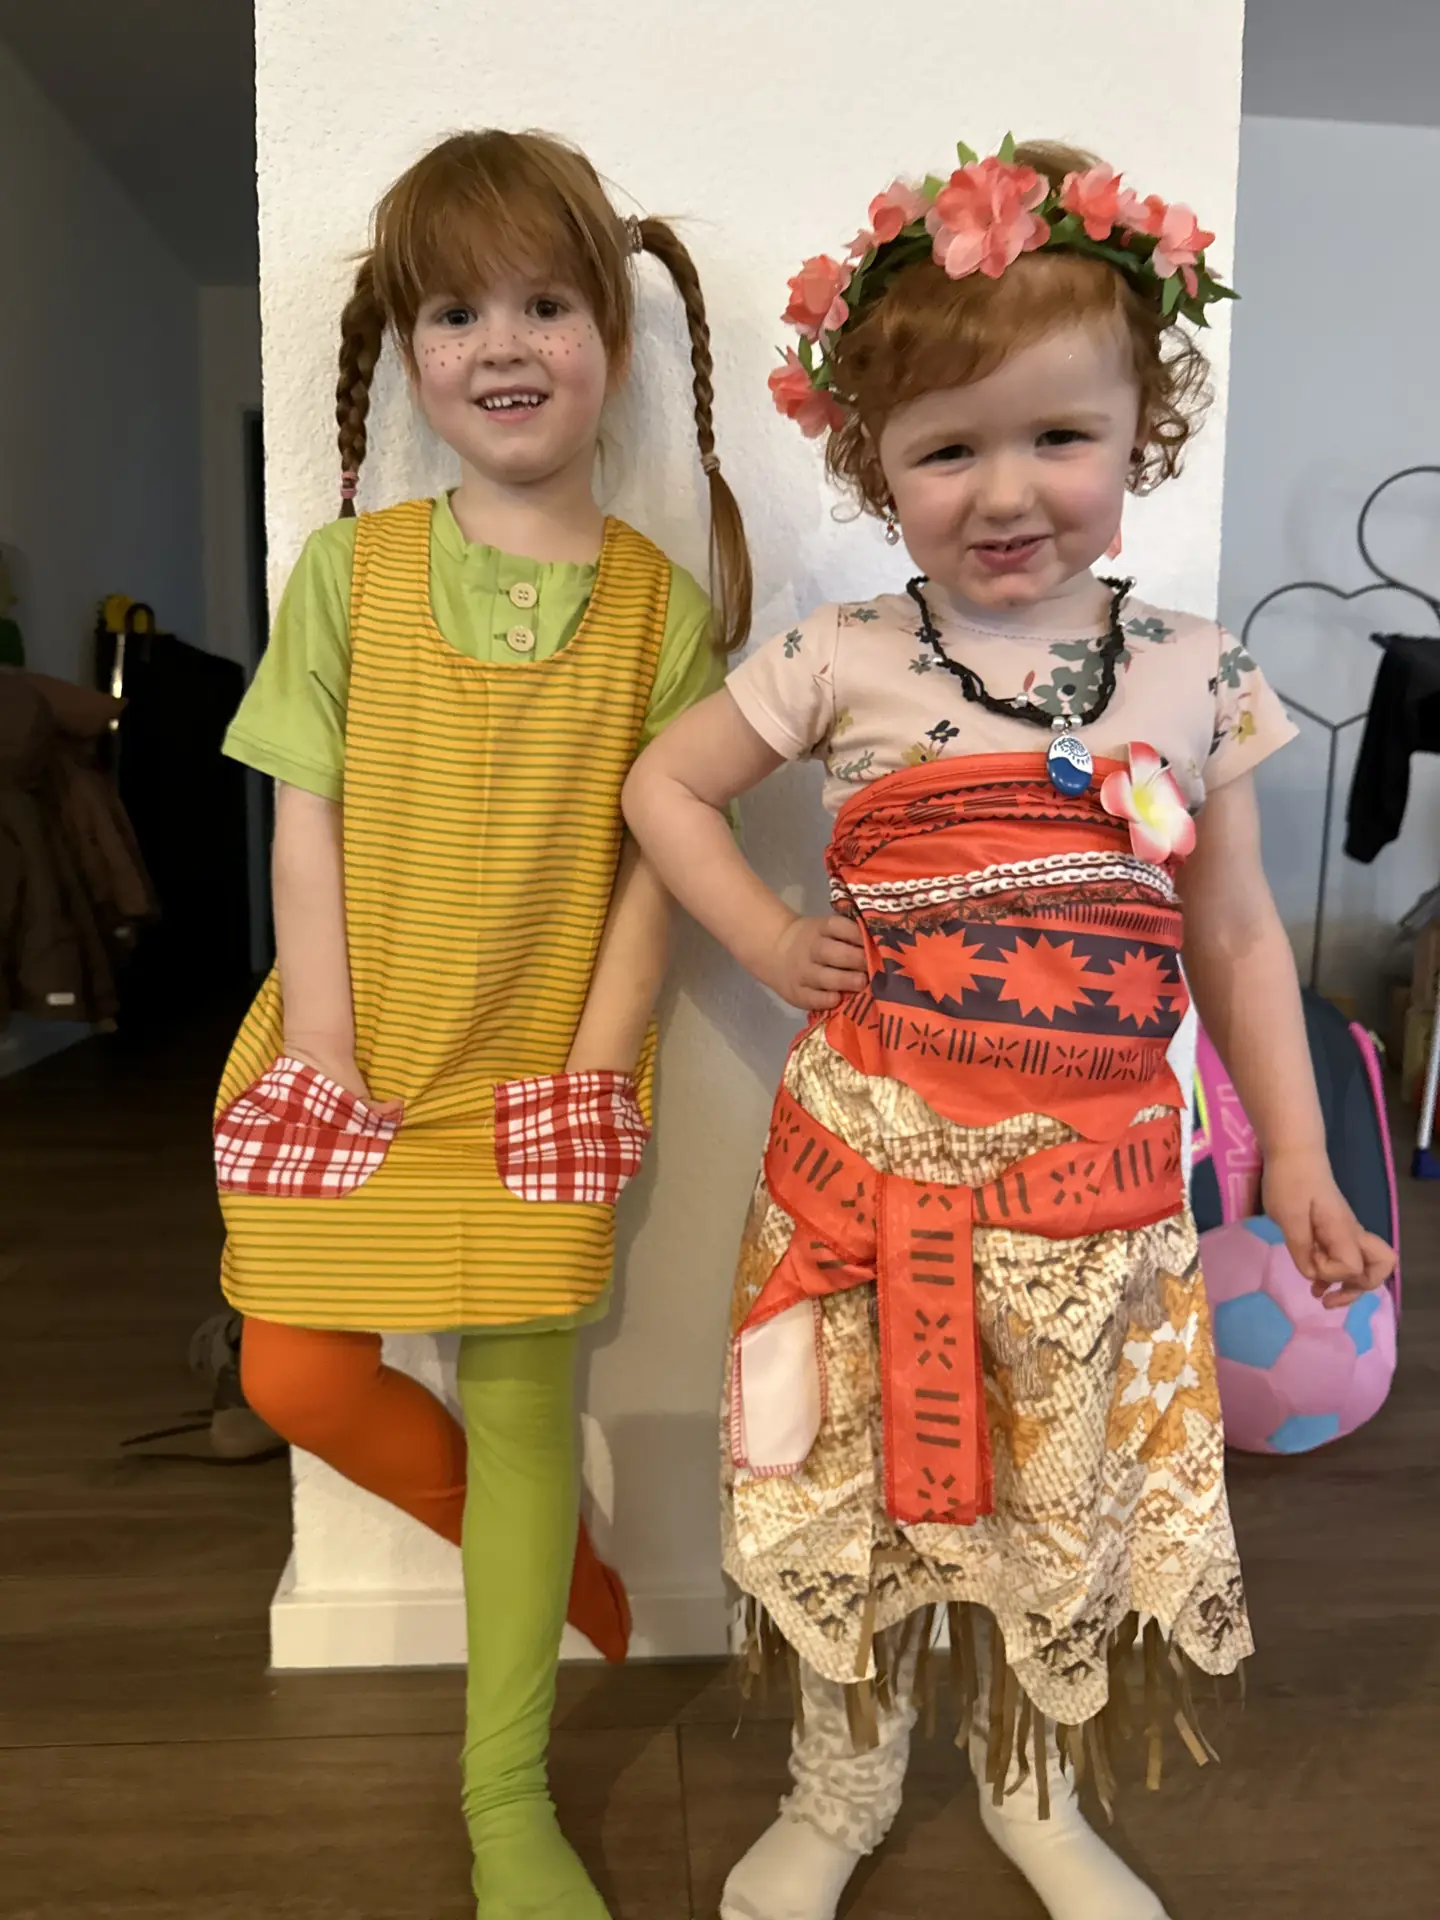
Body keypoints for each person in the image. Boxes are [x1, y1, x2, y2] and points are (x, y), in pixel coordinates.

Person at [622, 138, 1394, 1920]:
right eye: (947, 449)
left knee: (1064, 1488)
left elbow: (1239, 934)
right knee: (848, 1484)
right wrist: (769, 935)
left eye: (1060, 436)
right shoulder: (841, 653)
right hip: (864, 1183)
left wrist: (1294, 1151)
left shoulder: (1201, 672)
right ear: (872, 459)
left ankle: (1035, 1788)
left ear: (1143, 435)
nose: (1006, 490)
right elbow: (665, 787)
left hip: (1093, 1210)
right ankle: (838, 1786)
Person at [210, 128, 751, 1919]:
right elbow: (304, 818)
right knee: (293, 1372)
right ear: (408, 351)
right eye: (455, 312)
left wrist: (593, 1073)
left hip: (542, 1073)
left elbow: (656, 870)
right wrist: (329, 1045)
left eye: (544, 303)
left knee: (528, 1414)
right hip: (349, 1052)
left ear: (613, 332)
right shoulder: (346, 574)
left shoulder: (663, 613)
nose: (502, 343)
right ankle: (568, 1577)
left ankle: (505, 1799)